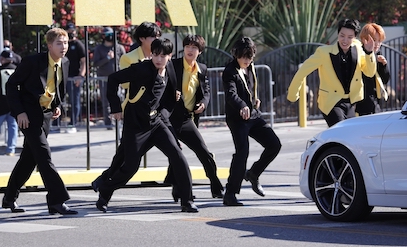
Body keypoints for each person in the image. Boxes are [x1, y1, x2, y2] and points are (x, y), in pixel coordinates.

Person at [95, 38, 198, 213]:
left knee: (178, 156)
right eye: (155, 54)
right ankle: (105, 191)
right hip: (135, 125)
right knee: (130, 167)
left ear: (170, 56)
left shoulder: (171, 67)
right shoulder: (141, 69)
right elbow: (113, 79)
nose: (158, 59)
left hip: (156, 122)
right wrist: (115, 108)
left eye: (163, 55)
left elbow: (171, 95)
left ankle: (187, 201)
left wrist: (165, 114)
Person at [2, 27, 78, 215]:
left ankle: (9, 197)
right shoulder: (32, 62)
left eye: (66, 43)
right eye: (59, 43)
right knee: (44, 156)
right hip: (28, 117)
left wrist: (56, 105)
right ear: (50, 45)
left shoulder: (65, 62)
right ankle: (57, 200)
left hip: (45, 116)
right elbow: (11, 85)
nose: (64, 47)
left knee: (28, 160)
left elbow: (58, 86)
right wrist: (19, 112)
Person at [90, 21, 161, 188]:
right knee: (127, 152)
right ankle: (105, 182)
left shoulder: (161, 55)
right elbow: (124, 84)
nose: (157, 39)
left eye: (159, 36)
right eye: (154, 37)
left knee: (173, 149)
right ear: (142, 38)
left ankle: (180, 189)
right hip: (135, 110)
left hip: (157, 112)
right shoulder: (129, 57)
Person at [222, 37, 282, 206]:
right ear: (236, 55)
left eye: (250, 57)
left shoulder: (251, 66)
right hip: (237, 119)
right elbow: (231, 94)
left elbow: (250, 87)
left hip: (253, 116)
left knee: (274, 144)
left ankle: (254, 173)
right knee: (242, 152)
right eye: (243, 57)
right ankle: (230, 193)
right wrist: (242, 105)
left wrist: (254, 100)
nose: (247, 61)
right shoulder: (229, 71)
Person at [164, 35, 224, 201]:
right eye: (188, 46)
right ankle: (179, 189)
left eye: (194, 47)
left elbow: (206, 91)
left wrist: (203, 103)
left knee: (204, 152)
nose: (190, 50)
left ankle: (215, 183)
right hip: (169, 118)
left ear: (200, 51)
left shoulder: (202, 68)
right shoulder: (172, 65)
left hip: (186, 119)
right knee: (176, 155)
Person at [287, 19, 376, 127]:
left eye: (349, 37)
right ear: (338, 34)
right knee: (340, 131)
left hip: (351, 102)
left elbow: (370, 73)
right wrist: (293, 94)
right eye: (342, 35)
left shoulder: (358, 48)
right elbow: (302, 71)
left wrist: (369, 53)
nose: (345, 40)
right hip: (331, 102)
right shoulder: (324, 52)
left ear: (354, 37)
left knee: (348, 136)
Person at [53, 22, 86, 133]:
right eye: (69, 32)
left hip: (74, 77)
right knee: (57, 100)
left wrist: (81, 76)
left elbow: (84, 62)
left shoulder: (78, 44)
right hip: (61, 77)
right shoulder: (61, 45)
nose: (71, 34)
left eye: (73, 32)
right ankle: (55, 124)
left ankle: (73, 124)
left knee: (74, 101)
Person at [93, 27, 126, 129]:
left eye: (111, 35)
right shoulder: (99, 49)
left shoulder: (119, 48)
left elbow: (125, 60)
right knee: (106, 100)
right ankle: (108, 123)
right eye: (107, 35)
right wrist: (107, 58)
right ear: (103, 36)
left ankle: (120, 120)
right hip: (104, 78)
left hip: (118, 78)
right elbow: (95, 64)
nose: (110, 37)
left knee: (120, 97)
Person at [356, 23, 390, 115]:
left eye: (380, 41)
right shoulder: (357, 53)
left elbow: (385, 80)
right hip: (359, 103)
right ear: (364, 39)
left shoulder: (378, 54)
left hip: (374, 102)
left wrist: (383, 66)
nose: (377, 44)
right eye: (374, 40)